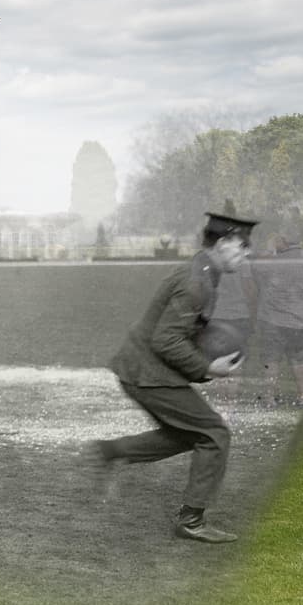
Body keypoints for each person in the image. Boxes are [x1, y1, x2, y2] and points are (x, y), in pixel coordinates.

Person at [93, 211, 257, 544]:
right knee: (213, 433)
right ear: (223, 243)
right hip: (147, 372)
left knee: (188, 433)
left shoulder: (203, 271)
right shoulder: (196, 281)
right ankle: (191, 520)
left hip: (142, 367)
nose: (246, 253)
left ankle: (112, 451)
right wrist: (209, 368)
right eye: (242, 246)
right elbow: (166, 340)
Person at [253, 233, 303, 407]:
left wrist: (268, 249)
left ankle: (269, 397)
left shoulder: (273, 261)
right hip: (298, 317)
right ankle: (302, 396)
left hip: (273, 318)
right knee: (298, 358)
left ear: (284, 241)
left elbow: (256, 268)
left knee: (271, 359)